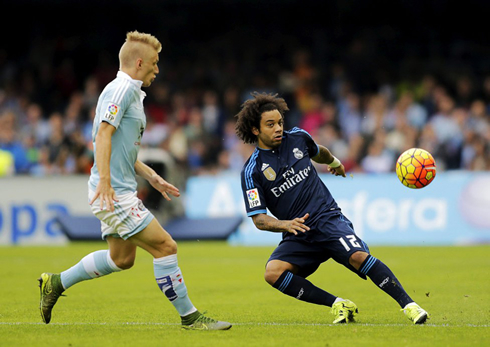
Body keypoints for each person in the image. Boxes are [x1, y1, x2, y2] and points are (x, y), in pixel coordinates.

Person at [38, 31, 231, 331]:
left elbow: (122, 148)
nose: (157, 69)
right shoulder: (122, 90)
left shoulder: (129, 93)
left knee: (121, 259)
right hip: (115, 194)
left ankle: (56, 282)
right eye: (154, 63)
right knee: (166, 246)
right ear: (139, 63)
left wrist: (153, 177)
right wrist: (105, 182)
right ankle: (190, 317)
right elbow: (103, 135)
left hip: (116, 190)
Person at [235, 92, 429, 324]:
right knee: (272, 272)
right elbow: (259, 219)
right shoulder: (252, 171)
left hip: (326, 217)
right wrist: (286, 225)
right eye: (270, 125)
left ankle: (410, 305)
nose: (278, 128)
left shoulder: (297, 138)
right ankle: (338, 303)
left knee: (359, 256)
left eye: (280, 122)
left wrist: (334, 162)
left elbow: (320, 151)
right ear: (255, 130)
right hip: (299, 231)